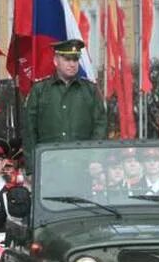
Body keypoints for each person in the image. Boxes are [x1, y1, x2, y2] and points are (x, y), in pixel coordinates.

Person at [22, 38, 107, 170]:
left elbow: (100, 127)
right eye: (67, 59)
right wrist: (32, 167)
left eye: (75, 59)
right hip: (48, 166)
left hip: (82, 166)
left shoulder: (90, 90)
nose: (72, 64)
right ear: (56, 61)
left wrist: (96, 159)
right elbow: (29, 131)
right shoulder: (40, 90)